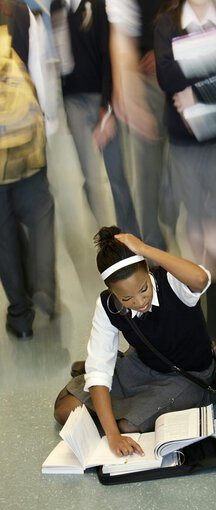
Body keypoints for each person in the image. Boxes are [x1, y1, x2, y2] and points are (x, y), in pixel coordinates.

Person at [54, 226, 215, 457]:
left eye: (144, 289)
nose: (140, 302)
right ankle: (116, 409)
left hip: (187, 374)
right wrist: (112, 435)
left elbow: (201, 278)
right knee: (64, 410)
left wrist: (143, 248)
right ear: (113, 292)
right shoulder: (108, 305)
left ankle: (117, 409)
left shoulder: (171, 281)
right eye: (126, 298)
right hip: (142, 365)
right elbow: (99, 368)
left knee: (129, 427)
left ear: (148, 270)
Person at [153, 0, 216, 345]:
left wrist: (195, 93)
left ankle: (214, 317)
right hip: (185, 143)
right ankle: (197, 301)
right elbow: (167, 77)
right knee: (196, 225)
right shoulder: (167, 24)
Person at [50, 0, 141, 235]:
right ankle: (107, 239)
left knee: (117, 176)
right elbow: (59, 61)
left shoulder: (99, 5)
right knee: (90, 179)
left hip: (101, 99)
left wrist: (107, 107)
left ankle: (132, 240)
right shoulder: (57, 7)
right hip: (74, 102)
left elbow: (109, 58)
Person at [0, 0, 56, 339]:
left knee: (3, 235)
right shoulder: (17, 10)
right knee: (41, 216)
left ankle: (20, 317)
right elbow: (37, 74)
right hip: (27, 145)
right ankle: (45, 289)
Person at [106, 0, 168, 250]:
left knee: (171, 181)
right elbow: (121, 35)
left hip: (179, 75)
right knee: (147, 181)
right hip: (148, 82)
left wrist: (165, 47)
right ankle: (156, 258)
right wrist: (127, 90)